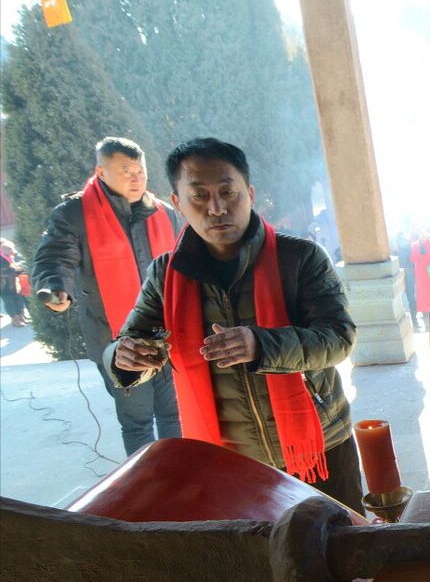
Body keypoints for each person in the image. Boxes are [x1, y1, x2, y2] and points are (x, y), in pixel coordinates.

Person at [102, 138, 364, 512]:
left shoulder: (300, 258)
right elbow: (131, 340)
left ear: (250, 193)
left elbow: (338, 338)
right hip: (229, 460)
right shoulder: (165, 275)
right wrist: (123, 358)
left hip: (318, 444)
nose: (217, 208)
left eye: (228, 192)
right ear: (177, 203)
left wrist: (262, 346)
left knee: (342, 553)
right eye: (199, 196)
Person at [32, 137, 182, 456]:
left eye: (140, 170)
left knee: (175, 415)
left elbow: (184, 263)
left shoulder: (163, 213)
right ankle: (145, 486)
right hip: (115, 339)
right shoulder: (74, 214)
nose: (136, 177)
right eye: (125, 170)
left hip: (168, 336)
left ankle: (181, 475)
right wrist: (56, 287)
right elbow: (55, 255)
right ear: (100, 172)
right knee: (138, 422)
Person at [409, 229, 430, 331]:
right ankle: (426, 319)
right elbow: (412, 258)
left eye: (424, 233)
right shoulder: (414, 245)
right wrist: (423, 256)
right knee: (422, 297)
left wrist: (422, 257)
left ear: (428, 234)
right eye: (421, 233)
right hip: (421, 275)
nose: (423, 236)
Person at [1, 238, 29, 327]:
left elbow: (13, 269)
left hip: (14, 284)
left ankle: (20, 317)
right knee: (10, 302)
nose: (13, 251)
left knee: (18, 300)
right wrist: (15, 269)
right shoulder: (2, 259)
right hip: (4, 286)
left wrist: (19, 269)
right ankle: (15, 320)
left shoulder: (8, 257)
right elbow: (4, 272)